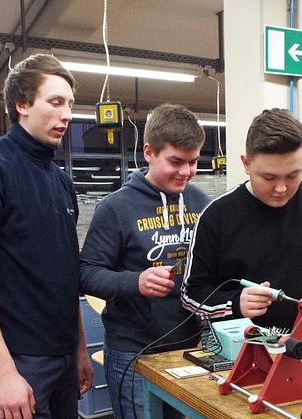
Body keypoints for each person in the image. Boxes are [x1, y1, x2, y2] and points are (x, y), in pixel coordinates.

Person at [0, 54, 92, 419]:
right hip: (21, 358)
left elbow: (65, 273)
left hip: (62, 353)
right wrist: (5, 372)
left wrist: (79, 348)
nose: (67, 115)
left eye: (70, 104)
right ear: (22, 104)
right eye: (55, 102)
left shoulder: (59, 180)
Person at [180, 108, 302, 330]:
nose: (281, 188)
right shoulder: (216, 216)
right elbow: (191, 295)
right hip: (242, 350)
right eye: (268, 177)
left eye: (292, 176)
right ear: (246, 164)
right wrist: (234, 303)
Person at [80, 104, 209, 419]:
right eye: (176, 161)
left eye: (193, 162)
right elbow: (85, 273)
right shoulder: (116, 208)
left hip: (191, 348)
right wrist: (134, 282)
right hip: (134, 353)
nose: (185, 172)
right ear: (149, 152)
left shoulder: (200, 202)